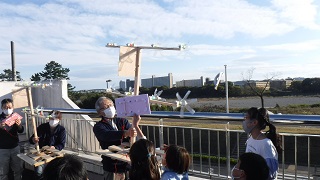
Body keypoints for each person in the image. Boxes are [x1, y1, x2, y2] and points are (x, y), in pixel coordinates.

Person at [93, 96, 145, 180]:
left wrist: (135, 127)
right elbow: (107, 135)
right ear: (100, 112)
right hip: (112, 166)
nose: (110, 108)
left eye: (111, 105)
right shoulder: (98, 126)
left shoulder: (122, 121)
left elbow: (133, 138)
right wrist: (125, 133)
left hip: (127, 163)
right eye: (106, 107)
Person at [243, 107, 282, 180]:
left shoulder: (266, 144)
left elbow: (271, 174)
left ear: (254, 122)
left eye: (246, 118)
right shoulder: (250, 140)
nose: (244, 120)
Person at [29, 110, 66, 179]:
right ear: (48, 118)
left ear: (59, 120)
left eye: (55, 119)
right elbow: (31, 140)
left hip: (54, 155)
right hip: (41, 154)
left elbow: (62, 144)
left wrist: (55, 147)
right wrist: (34, 140)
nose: (53, 120)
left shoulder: (61, 130)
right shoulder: (42, 127)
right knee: (39, 172)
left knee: (52, 173)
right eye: (51, 118)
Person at [0, 98, 24, 180]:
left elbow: (21, 131)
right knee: (3, 171)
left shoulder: (16, 117)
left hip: (15, 147)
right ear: (2, 108)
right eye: (5, 107)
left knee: (18, 169)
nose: (8, 109)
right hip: (2, 149)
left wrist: (19, 125)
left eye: (10, 107)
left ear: (13, 107)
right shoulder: (0, 118)